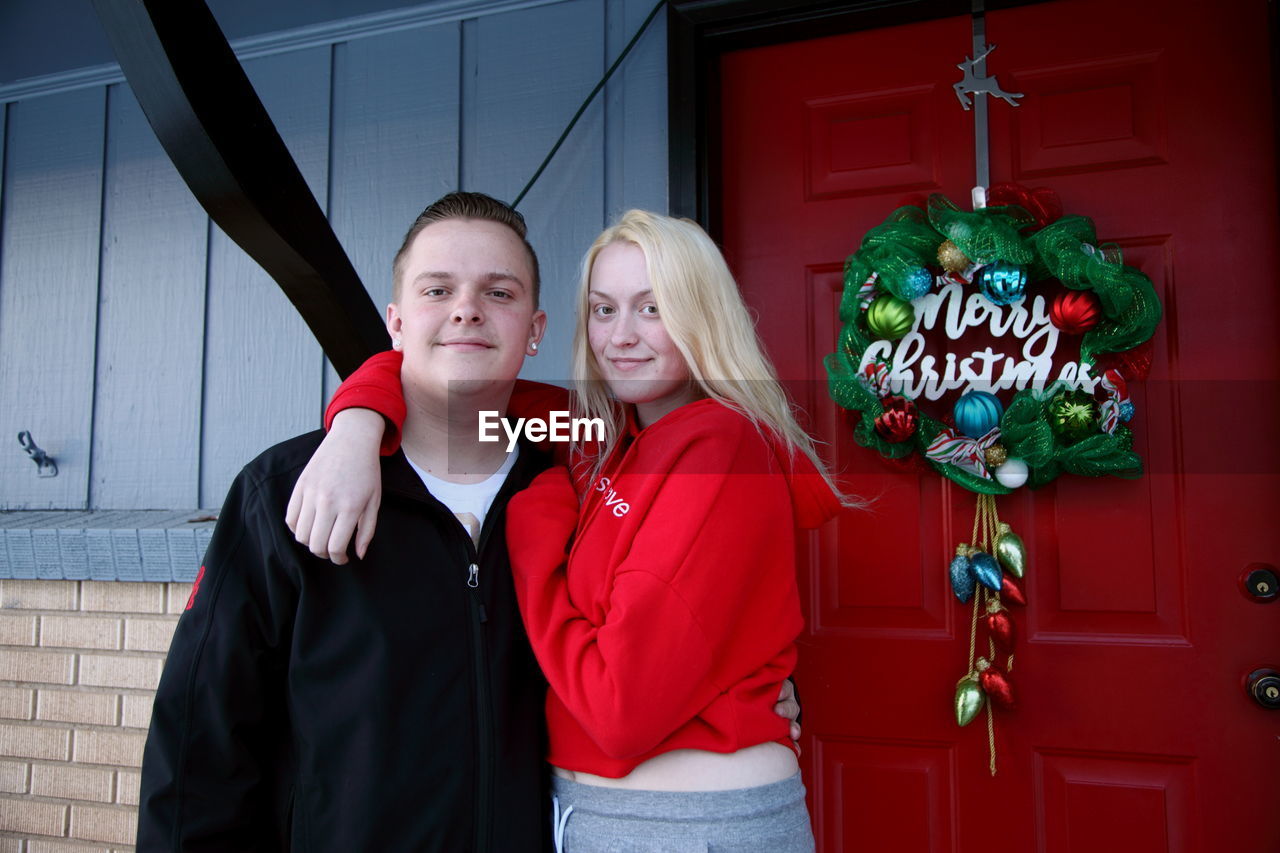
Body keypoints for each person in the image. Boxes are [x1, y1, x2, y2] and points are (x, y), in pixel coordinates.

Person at [294, 210, 845, 852]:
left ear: (703, 315)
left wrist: (533, 535)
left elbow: (619, 709)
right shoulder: (598, 437)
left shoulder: (718, 448)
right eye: (603, 310)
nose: (622, 337)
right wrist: (356, 423)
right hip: (593, 815)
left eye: (652, 308)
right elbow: (459, 384)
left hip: (689, 826)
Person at [137, 192, 556, 851]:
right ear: (394, 323)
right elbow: (203, 738)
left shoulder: (580, 489)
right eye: (437, 288)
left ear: (535, 329)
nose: (467, 307)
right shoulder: (282, 489)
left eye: (498, 292)